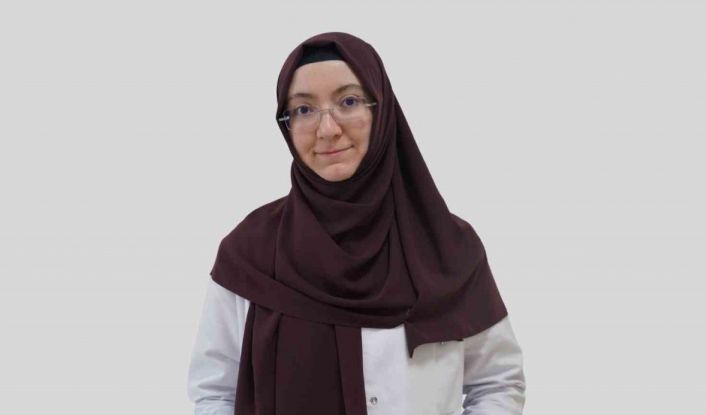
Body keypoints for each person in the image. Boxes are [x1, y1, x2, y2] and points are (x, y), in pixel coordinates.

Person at [187, 31, 526, 415]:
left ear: (381, 110)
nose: (327, 129)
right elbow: (215, 393)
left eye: (348, 101)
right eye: (303, 109)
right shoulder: (250, 253)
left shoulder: (447, 246)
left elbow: (497, 383)